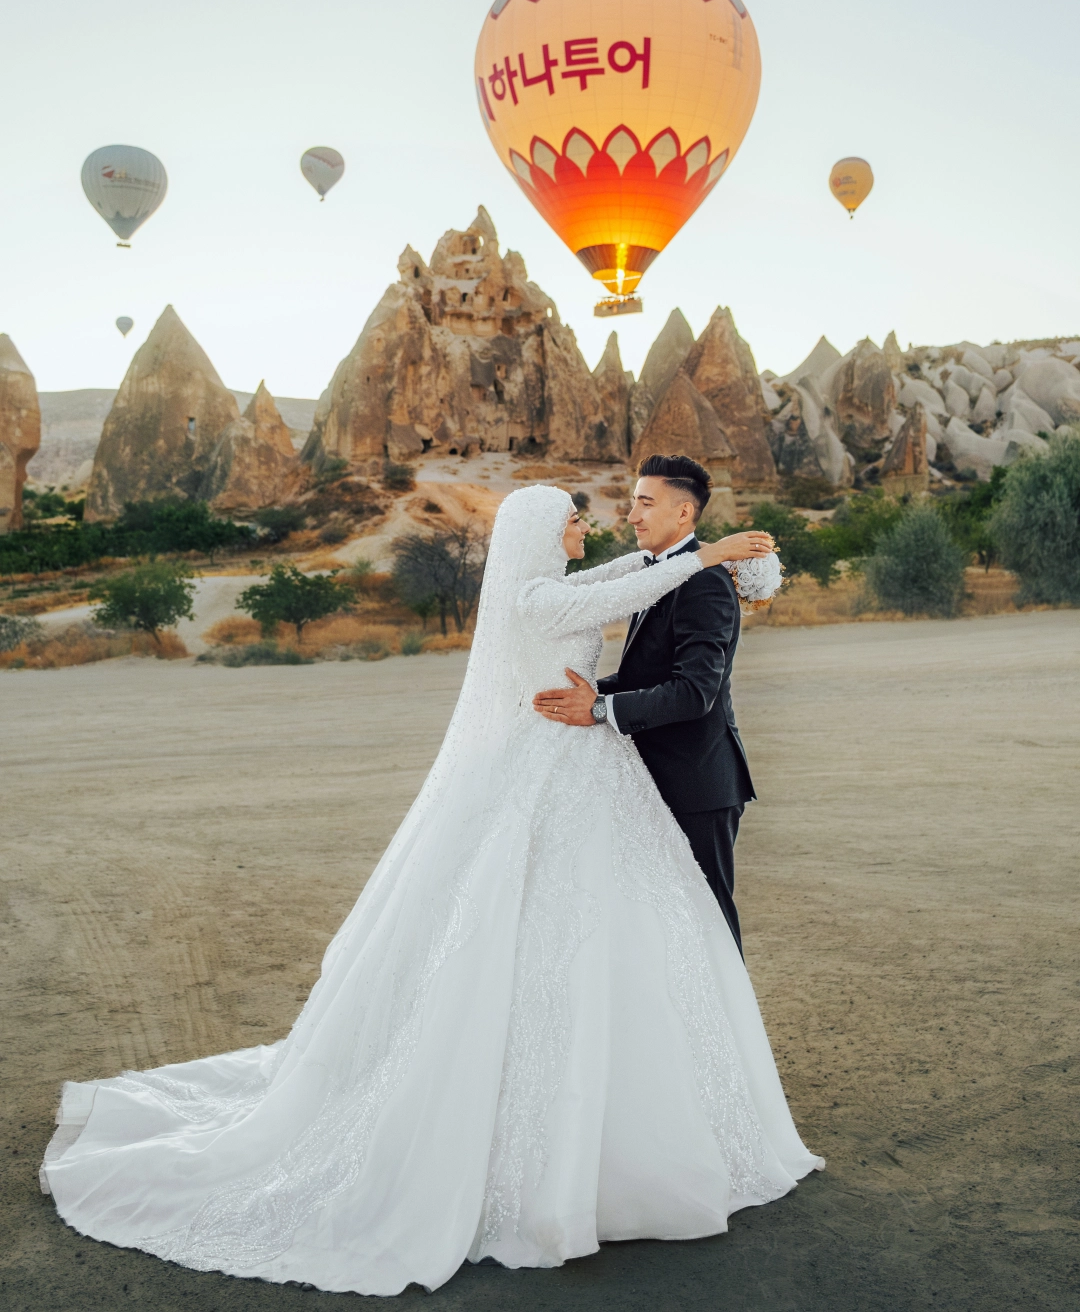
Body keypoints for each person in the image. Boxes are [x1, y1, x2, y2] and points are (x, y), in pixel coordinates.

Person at [41, 485, 820, 1297]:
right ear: (540, 533)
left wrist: (694, 558)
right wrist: (708, 555)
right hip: (557, 758)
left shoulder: (555, 585)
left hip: (582, 758)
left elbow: (626, 574)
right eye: (574, 519)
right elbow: (626, 589)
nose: (588, 526)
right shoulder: (538, 597)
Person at [534, 453, 762, 956]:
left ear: (683, 512)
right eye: (633, 503)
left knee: (709, 924)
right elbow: (645, 677)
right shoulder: (662, 573)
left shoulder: (704, 582)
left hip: (697, 782)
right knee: (664, 926)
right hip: (656, 779)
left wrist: (597, 710)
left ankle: (732, 1013)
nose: (633, 516)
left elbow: (694, 692)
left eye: (645, 503)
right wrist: (586, 695)